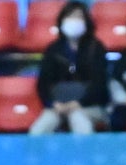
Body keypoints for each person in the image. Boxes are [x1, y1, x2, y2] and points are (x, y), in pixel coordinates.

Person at [31, 1, 110, 134]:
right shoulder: (53, 49)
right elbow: (43, 84)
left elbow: (100, 84)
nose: (74, 20)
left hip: (89, 106)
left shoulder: (96, 48)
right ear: (62, 21)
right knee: (38, 130)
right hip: (58, 107)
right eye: (70, 16)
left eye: (78, 17)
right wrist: (53, 104)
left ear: (86, 21)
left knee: (78, 119)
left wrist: (78, 103)